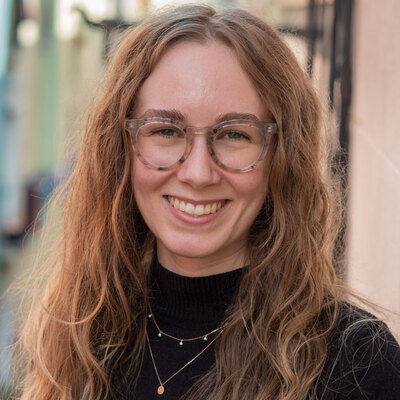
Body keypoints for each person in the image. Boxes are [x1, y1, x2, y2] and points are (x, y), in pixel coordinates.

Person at [16, 4, 400, 400]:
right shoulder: (75, 338)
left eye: (234, 135)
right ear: (120, 150)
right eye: (166, 130)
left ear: (282, 158)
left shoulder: (359, 367)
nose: (198, 173)